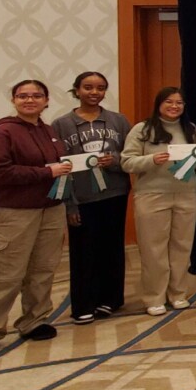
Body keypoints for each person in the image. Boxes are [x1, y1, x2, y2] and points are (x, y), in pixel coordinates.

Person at [0, 80, 69, 359]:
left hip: (50, 210)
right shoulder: (4, 132)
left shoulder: (49, 131)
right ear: (13, 100)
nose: (29, 100)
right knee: (4, 274)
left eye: (36, 95)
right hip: (13, 213)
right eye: (23, 96)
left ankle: (34, 320)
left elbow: (58, 170)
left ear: (46, 100)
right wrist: (46, 173)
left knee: (42, 270)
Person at [121, 87, 196, 314]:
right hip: (152, 196)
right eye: (169, 102)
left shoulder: (190, 129)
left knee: (182, 246)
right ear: (159, 104)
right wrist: (151, 159)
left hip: (186, 195)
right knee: (154, 250)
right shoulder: (142, 129)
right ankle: (154, 297)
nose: (175, 106)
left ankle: (178, 293)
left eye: (179, 103)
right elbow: (126, 162)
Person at [51, 71, 132, 324]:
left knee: (112, 248)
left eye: (100, 88)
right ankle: (84, 304)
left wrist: (115, 160)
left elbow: (131, 156)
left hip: (115, 194)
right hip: (82, 198)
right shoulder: (61, 124)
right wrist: (69, 204)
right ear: (76, 90)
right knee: (83, 252)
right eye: (88, 87)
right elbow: (58, 165)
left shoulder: (118, 121)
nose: (94, 93)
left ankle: (111, 299)